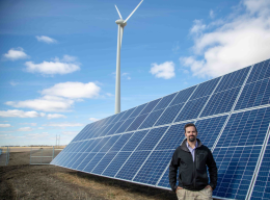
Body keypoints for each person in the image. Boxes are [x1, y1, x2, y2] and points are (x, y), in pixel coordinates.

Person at [169, 123, 217, 200]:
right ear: (185, 134)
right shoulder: (179, 151)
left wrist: (212, 185)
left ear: (196, 133)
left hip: (203, 191)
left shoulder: (205, 150)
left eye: (193, 131)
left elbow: (213, 167)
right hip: (185, 192)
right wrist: (174, 187)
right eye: (189, 132)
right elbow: (172, 168)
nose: (191, 134)